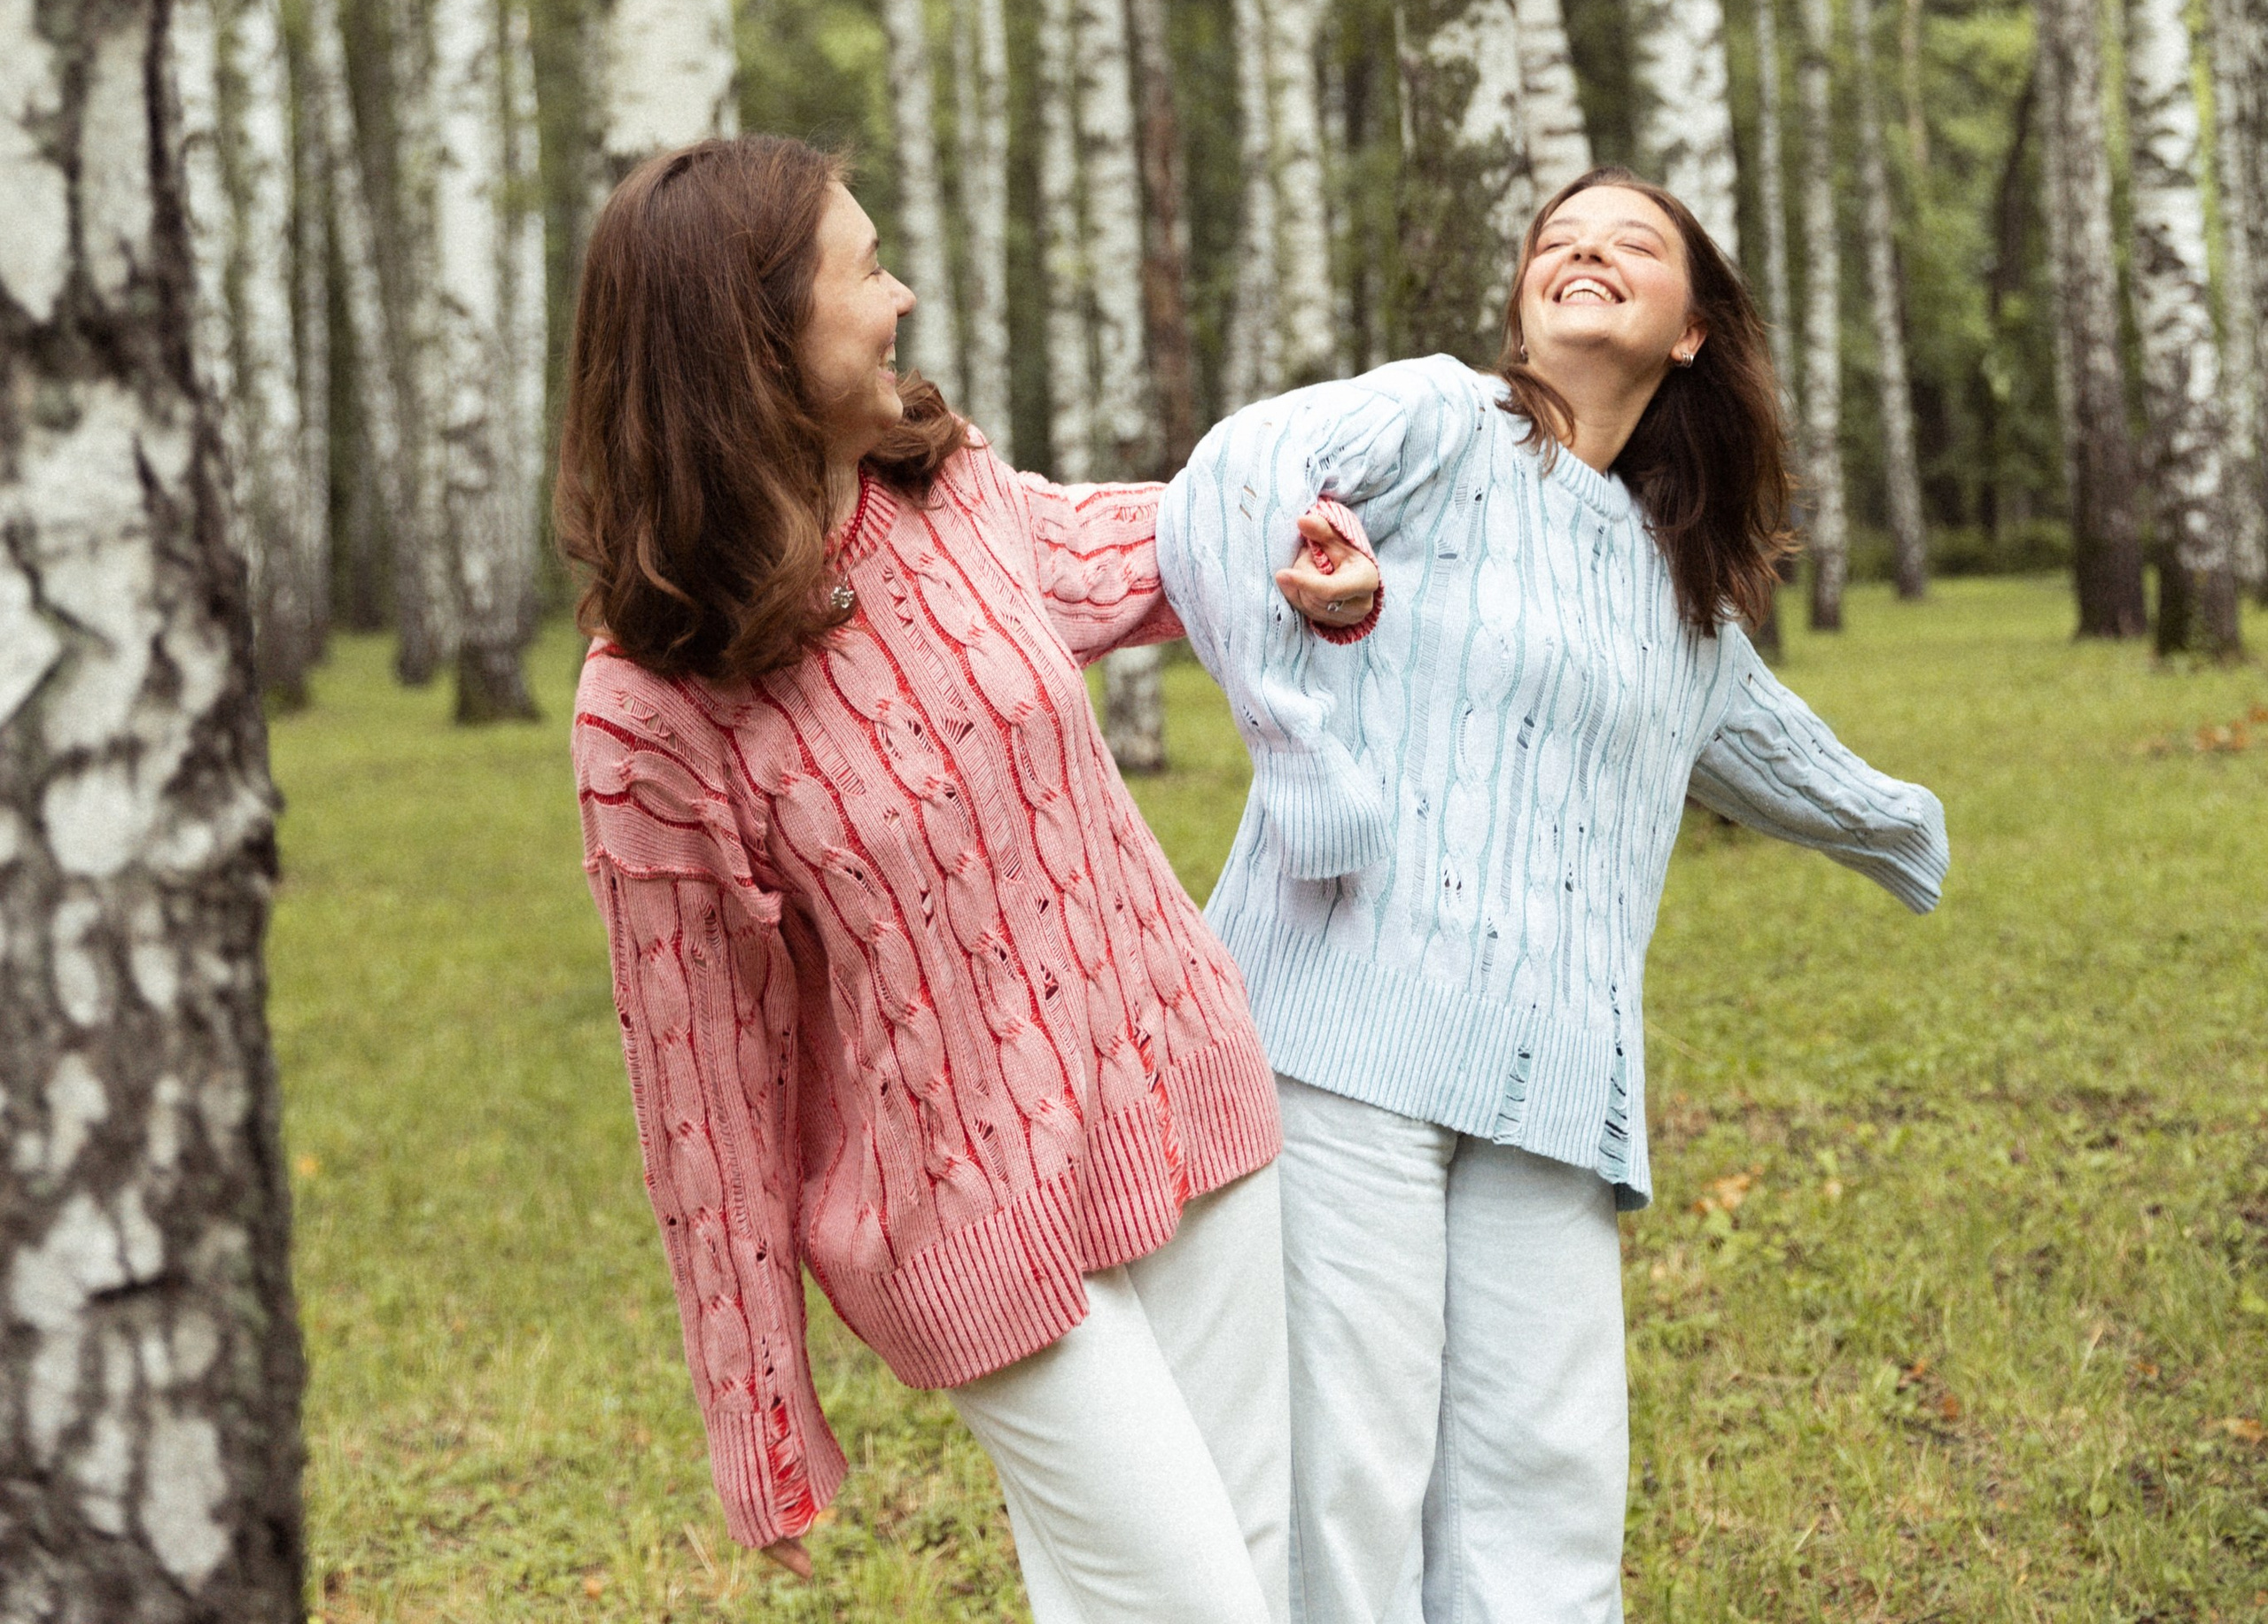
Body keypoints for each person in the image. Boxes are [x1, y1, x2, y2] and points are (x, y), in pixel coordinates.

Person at [555, 134, 1380, 1624]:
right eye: (865, 272)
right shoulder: (646, 711)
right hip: (958, 1213)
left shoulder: (948, 494)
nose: (905, 297)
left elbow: (1132, 548)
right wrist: (761, 1413)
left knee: (1244, 1563)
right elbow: (702, 1083)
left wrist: (1294, 548)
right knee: (1193, 1604)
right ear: (757, 343)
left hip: (1177, 1077)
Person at [1160, 164, 1950, 1624]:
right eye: (1556, 240)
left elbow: (1757, 736)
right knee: (1348, 1483)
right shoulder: (1447, 420)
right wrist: (1305, 754)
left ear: (1694, 329)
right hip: (1343, 1034)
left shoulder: (1675, 580)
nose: (1583, 253)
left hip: (1556, 1079)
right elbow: (1225, 484)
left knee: (1550, 1489)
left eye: (1629, 242)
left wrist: (1904, 831)